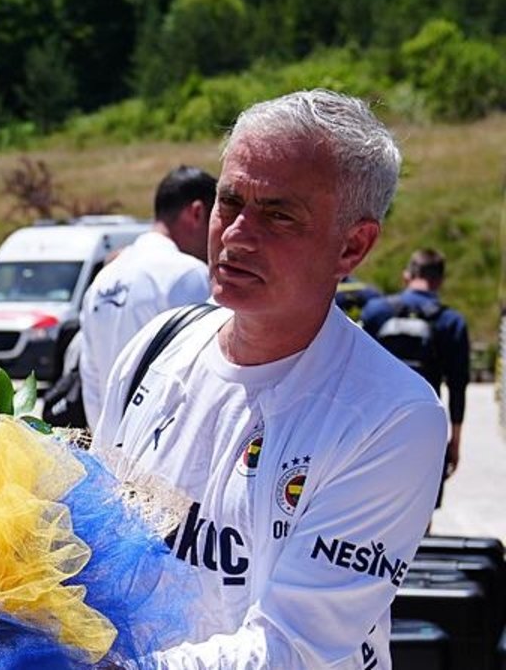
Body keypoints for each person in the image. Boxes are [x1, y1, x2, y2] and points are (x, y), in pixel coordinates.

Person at [91, 89, 447, 668]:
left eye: (278, 215)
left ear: (352, 246)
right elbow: (97, 553)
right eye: (228, 202)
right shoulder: (155, 350)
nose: (235, 235)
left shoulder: (394, 417)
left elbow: (295, 648)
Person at [79, 165, 216, 430]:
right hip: (163, 450)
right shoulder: (187, 273)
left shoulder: (103, 279)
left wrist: (105, 444)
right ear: (197, 212)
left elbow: (91, 378)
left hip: (110, 448)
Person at [361, 248, 469, 508]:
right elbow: (457, 386)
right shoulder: (451, 322)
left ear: (407, 276)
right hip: (425, 431)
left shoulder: (375, 312)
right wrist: (454, 441)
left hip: (373, 430)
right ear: (440, 281)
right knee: (419, 512)